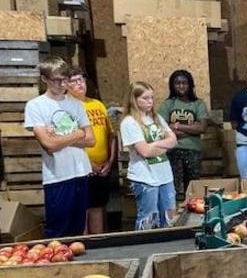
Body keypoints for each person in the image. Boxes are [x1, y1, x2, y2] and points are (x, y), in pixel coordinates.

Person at [24, 56, 94, 238]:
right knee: (57, 230)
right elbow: (49, 145)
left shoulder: (76, 104)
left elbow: (90, 139)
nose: (63, 84)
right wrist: (77, 133)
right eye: (57, 80)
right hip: (58, 177)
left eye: (65, 79)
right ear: (44, 79)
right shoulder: (35, 106)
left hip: (81, 172)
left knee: (77, 228)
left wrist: (62, 138)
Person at [120, 82, 178, 230]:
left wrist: (153, 145)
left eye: (152, 97)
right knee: (148, 218)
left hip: (164, 175)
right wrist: (161, 146)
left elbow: (173, 141)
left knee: (169, 216)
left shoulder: (156, 117)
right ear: (134, 99)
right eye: (145, 98)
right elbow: (144, 151)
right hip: (145, 177)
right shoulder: (129, 122)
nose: (150, 101)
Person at [67, 67, 117, 234]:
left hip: (103, 168)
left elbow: (111, 135)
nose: (79, 84)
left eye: (81, 79)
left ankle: (99, 247)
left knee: (98, 207)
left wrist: (110, 162)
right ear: (66, 85)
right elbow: (70, 141)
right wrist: (89, 164)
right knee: (83, 210)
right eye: (74, 81)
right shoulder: (67, 108)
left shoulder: (97, 104)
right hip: (81, 169)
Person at [158, 70, 209, 200]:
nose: (181, 86)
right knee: (174, 189)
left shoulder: (198, 104)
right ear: (172, 85)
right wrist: (191, 130)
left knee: (192, 189)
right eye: (177, 83)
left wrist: (176, 126)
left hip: (193, 151)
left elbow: (202, 127)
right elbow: (162, 129)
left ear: (190, 85)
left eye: (184, 83)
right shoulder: (167, 104)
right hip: (172, 151)